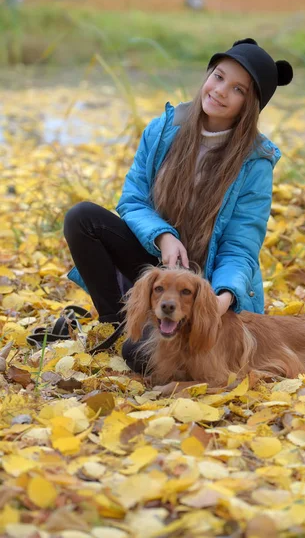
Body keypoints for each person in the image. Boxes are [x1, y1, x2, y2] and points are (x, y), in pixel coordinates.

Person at [63, 38, 293, 371]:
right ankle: (121, 323)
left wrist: (222, 298)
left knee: (138, 359)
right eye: (218, 76)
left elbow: (241, 248)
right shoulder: (163, 129)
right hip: (155, 262)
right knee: (82, 218)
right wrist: (163, 236)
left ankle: (142, 340)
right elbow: (132, 200)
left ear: (250, 105)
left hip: (204, 285)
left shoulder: (255, 162)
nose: (220, 91)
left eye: (238, 90)